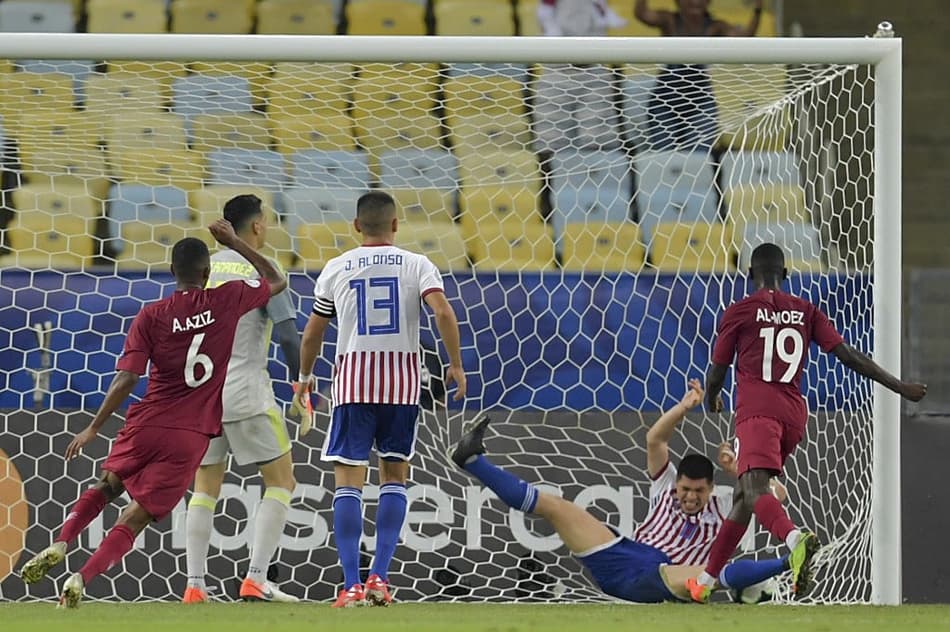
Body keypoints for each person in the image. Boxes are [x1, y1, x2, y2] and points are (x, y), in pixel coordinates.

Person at [18, 221, 286, 608]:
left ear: (172, 271)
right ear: (207, 274)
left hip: (148, 421)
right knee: (136, 517)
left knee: (107, 486)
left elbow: (126, 378)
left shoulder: (152, 314)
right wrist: (234, 242)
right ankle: (81, 578)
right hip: (190, 434)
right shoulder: (226, 299)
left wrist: (94, 427)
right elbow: (276, 278)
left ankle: (61, 542)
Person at [685, 242, 928, 603]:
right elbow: (849, 357)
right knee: (743, 497)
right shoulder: (806, 310)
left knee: (754, 489)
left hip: (758, 410)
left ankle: (796, 540)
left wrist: (712, 396)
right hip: (794, 416)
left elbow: (718, 368)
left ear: (750, 275)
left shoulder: (739, 311)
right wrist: (899, 386)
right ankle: (704, 582)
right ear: (786, 274)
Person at [451, 380, 791, 603]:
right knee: (555, 506)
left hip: (667, 574)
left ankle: (789, 561)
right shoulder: (664, 487)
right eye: (685, 489)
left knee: (710, 576)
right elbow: (655, 439)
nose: (689, 497)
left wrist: (738, 469)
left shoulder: (725, 502)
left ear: (711, 488)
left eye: (697, 492)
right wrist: (684, 407)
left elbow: (778, 494)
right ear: (677, 483)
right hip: (623, 555)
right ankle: (472, 459)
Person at [294, 191, 466, 608]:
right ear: (395, 225)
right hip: (402, 386)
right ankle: (380, 580)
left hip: (353, 383)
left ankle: (351, 584)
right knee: (395, 476)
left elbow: (314, 331)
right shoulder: (416, 263)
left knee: (348, 481)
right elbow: (442, 311)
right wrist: (455, 364)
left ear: (356, 226)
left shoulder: (336, 268)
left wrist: (304, 378)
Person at [183, 195, 301, 604]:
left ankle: (195, 586)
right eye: (265, 222)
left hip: (198, 393)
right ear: (256, 226)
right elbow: (287, 334)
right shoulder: (262, 269)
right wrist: (302, 386)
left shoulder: (203, 268)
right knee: (281, 481)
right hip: (245, 389)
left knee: (204, 486)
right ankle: (255, 578)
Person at [634, 0, 763, 151]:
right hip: (665, 101)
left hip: (700, 102)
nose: (695, 2)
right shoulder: (669, 20)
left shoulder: (715, 27)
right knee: (665, 158)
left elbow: (745, 37)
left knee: (699, 159)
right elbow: (643, 14)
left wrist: (758, 10)